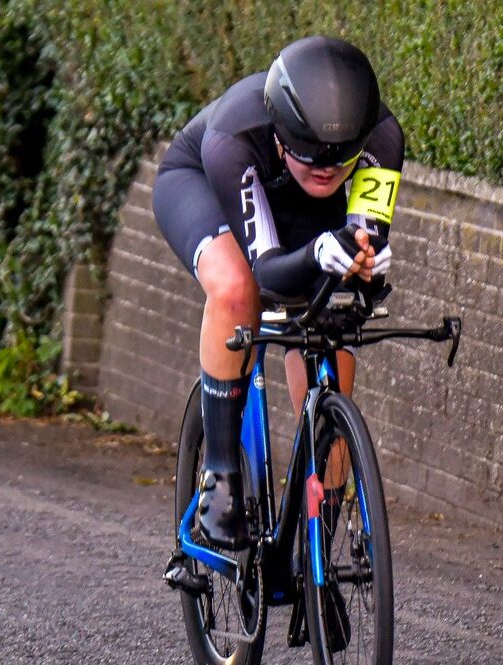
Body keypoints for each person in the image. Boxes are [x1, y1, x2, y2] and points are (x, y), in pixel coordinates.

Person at [153, 35, 404, 550]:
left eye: (340, 159)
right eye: (310, 153)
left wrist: (366, 260)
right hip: (204, 185)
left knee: (329, 343)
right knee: (236, 290)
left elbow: (364, 233)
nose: (327, 168)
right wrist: (316, 255)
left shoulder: (382, 140)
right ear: (282, 136)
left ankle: (320, 558)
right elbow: (267, 273)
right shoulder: (236, 136)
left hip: (302, 213)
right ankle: (220, 479)